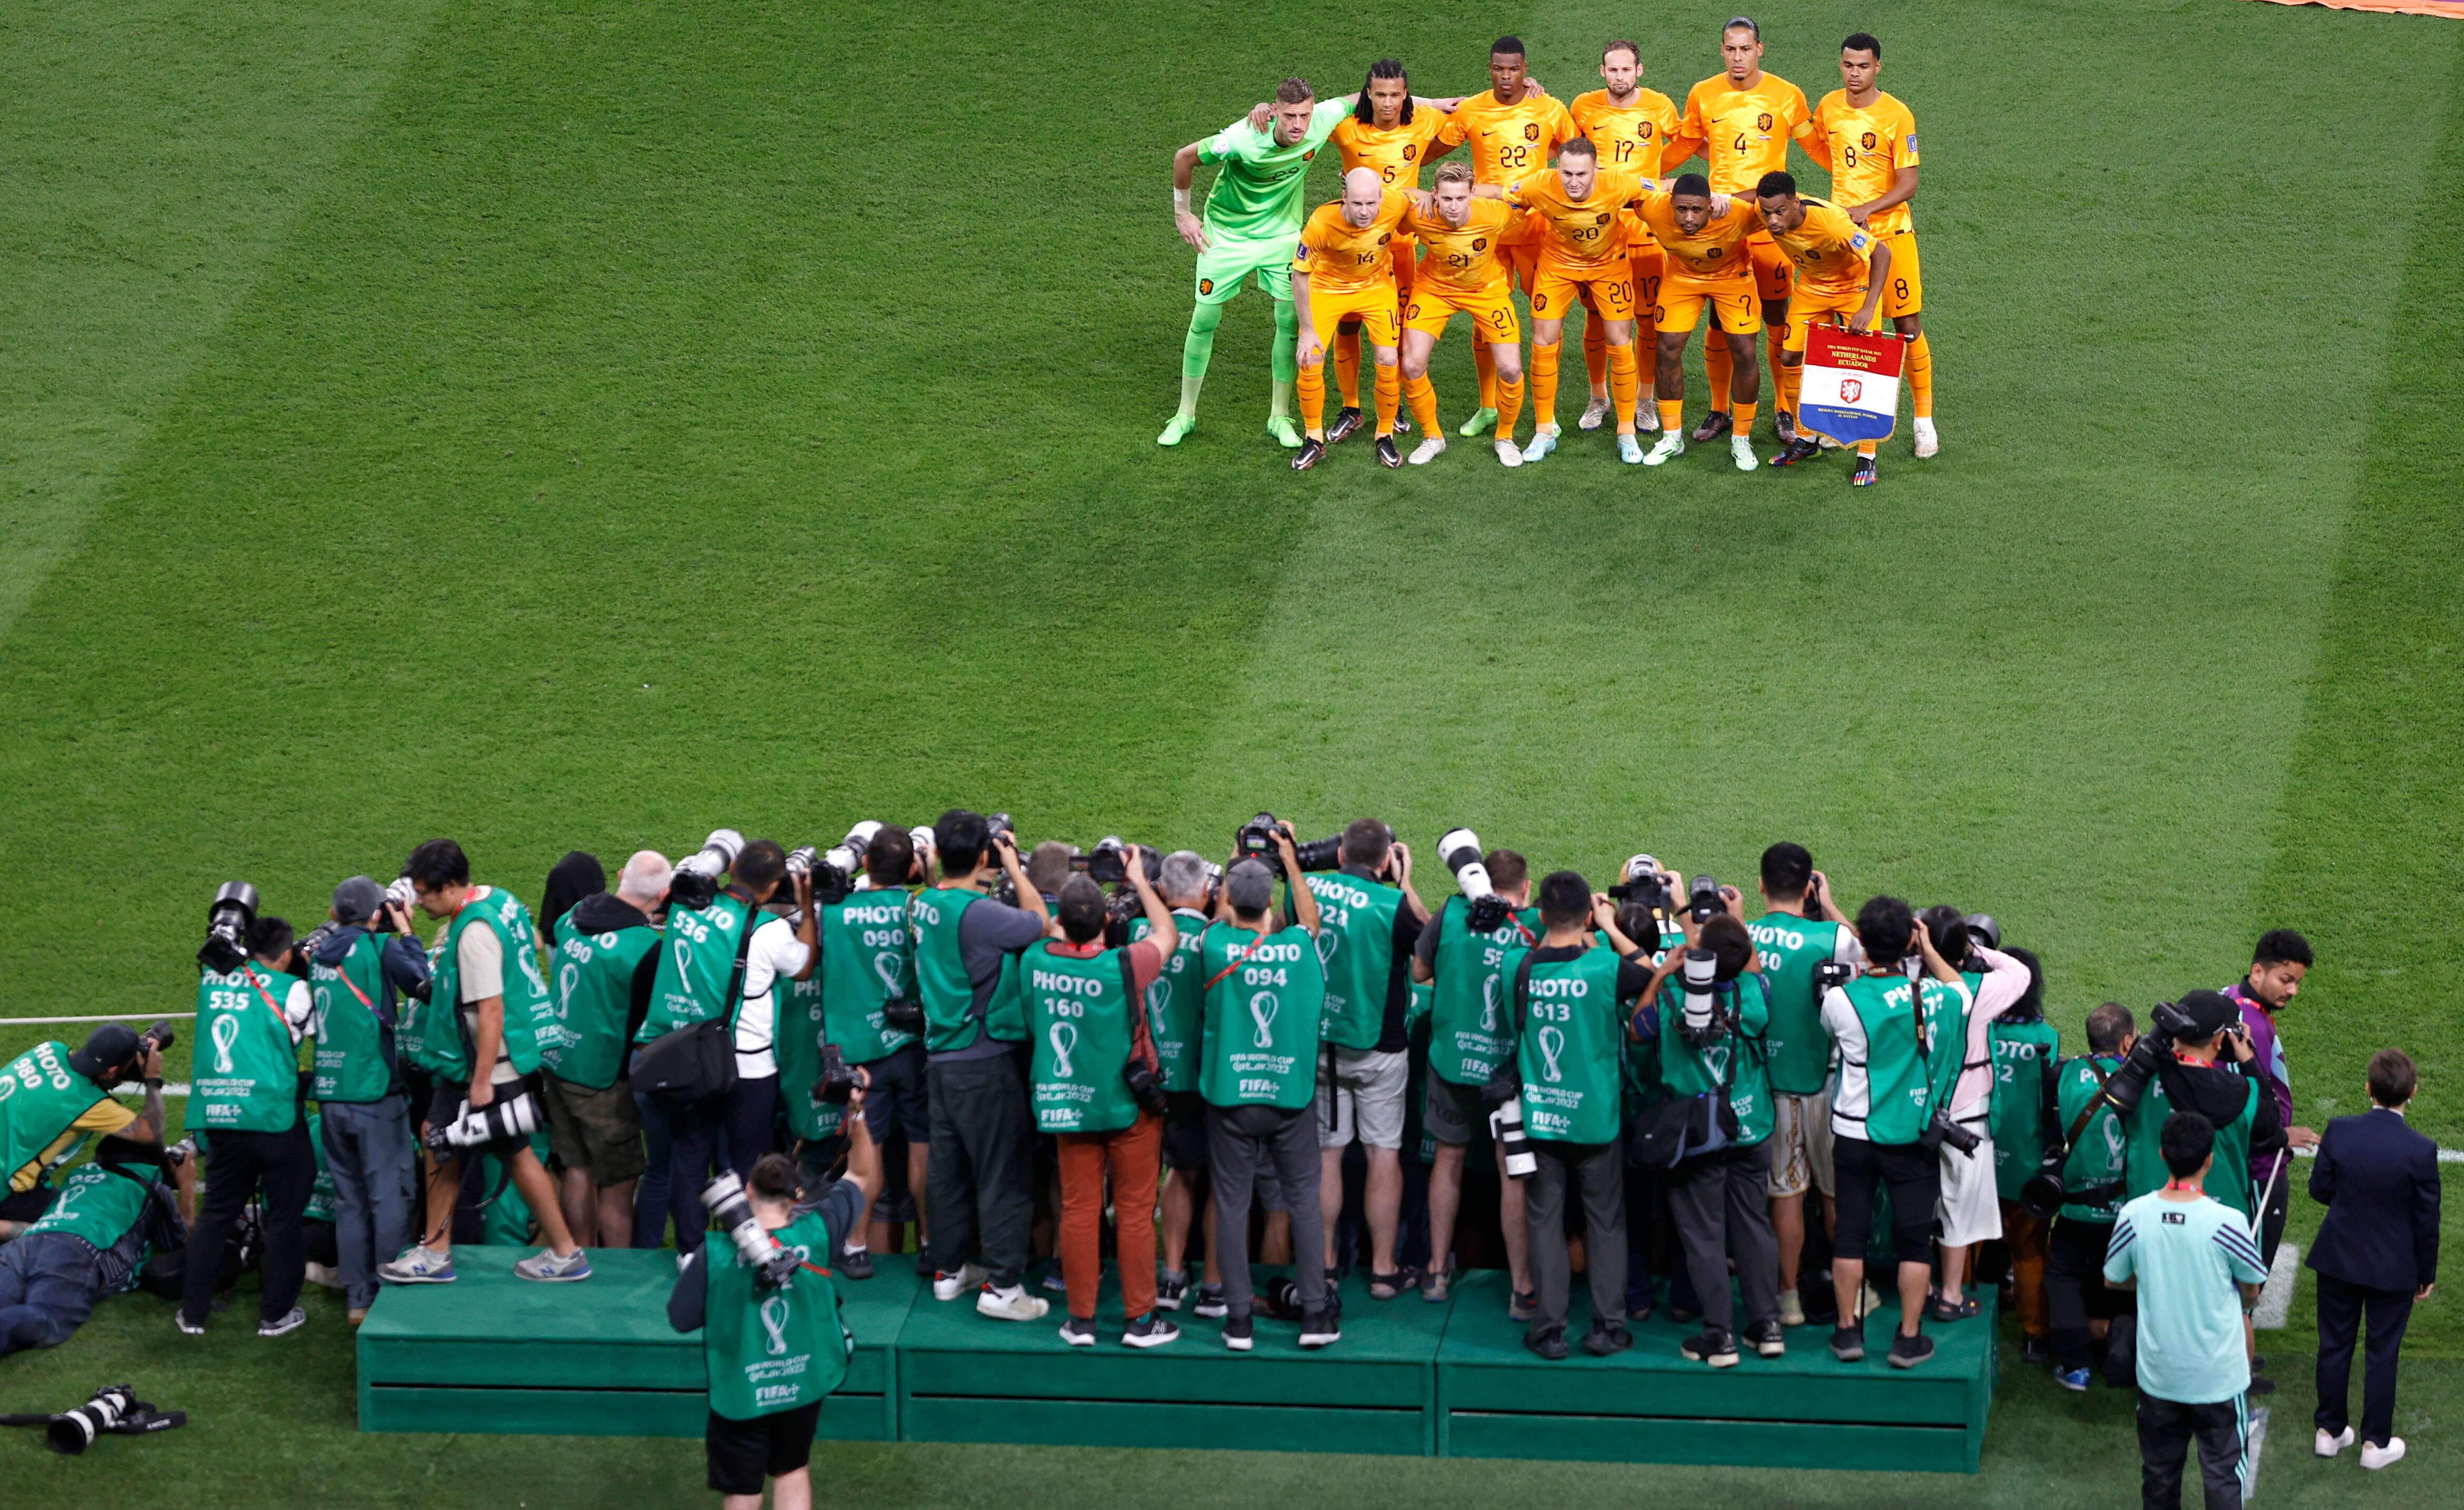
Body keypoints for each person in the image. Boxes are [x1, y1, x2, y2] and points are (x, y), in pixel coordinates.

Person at [380, 838, 589, 1285]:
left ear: (451, 886)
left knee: (444, 1139)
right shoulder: (497, 898)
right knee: (501, 1150)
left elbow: (490, 1009)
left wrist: (480, 1083)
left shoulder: (474, 934)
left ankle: (438, 1254)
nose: (419, 901)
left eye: (425, 892)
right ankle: (562, 1250)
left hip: (485, 1065)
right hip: (499, 1060)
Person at [669, 1096, 880, 1510]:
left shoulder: (715, 1252)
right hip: (802, 1380)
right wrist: (856, 1112)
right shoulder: (821, 1232)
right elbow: (861, 1171)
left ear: (746, 1191)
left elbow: (681, 1318)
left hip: (742, 1387)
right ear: (797, 1194)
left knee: (744, 1490)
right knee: (792, 1469)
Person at [1026, 859, 1178, 1347]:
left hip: (1070, 1107)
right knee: (1133, 1213)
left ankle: (1082, 1320)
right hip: (1127, 1108)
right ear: (1109, 923)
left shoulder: (1037, 959)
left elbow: (1044, 922)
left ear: (1062, 922)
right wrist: (1137, 880)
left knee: (1077, 1210)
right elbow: (1166, 931)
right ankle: (1139, 1320)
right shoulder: (1126, 964)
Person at [641, 840, 817, 1259]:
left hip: (690, 1061)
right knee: (742, 1166)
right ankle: (743, 1249)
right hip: (750, 1070)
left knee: (689, 1157)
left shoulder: (686, 907)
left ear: (732, 865)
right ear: (775, 886)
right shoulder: (768, 930)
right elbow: (804, 964)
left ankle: (690, 1252)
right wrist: (807, 910)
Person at [911, 809, 1051, 1320]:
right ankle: (1003, 1287)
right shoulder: (983, 916)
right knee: (1003, 1175)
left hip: (941, 1062)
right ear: (986, 856)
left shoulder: (922, 904)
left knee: (948, 1173)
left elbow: (942, 885)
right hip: (984, 1062)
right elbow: (1042, 922)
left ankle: (948, 1273)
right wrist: (1015, 866)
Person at [1505, 872, 1650, 1360]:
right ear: (1588, 914)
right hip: (1596, 1119)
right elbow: (1652, 973)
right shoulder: (1606, 968)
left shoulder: (1515, 967)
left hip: (1541, 1118)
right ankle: (1608, 1327)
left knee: (1544, 1222)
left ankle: (1548, 1329)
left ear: (1542, 915)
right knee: (1605, 1223)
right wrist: (1607, 928)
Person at [1633, 902, 1783, 1366]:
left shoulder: (1675, 996)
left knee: (1704, 1237)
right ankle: (1767, 1325)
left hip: (1697, 1134)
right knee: (1754, 1225)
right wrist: (1733, 929)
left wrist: (1662, 975)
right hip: (1752, 1126)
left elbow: (1639, 1032)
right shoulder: (1755, 993)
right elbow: (1749, 967)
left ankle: (1719, 1337)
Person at [1819, 894, 1965, 1368]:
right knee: (1914, 1239)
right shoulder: (1935, 997)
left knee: (1850, 1236)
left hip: (1854, 1133)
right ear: (1909, 939)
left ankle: (1846, 1333)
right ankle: (1907, 1337)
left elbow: (1833, 1034)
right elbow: (1960, 990)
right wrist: (1928, 951)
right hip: (1910, 1134)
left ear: (1862, 942)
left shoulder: (1840, 999)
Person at [1200, 837, 1334, 1350]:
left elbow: (1213, 920)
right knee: (1303, 1203)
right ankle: (1316, 1317)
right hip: (1288, 1098)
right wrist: (1293, 864)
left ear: (1230, 899)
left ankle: (1238, 1322)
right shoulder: (1297, 947)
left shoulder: (1213, 945)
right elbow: (1313, 922)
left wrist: (1239, 857)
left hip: (1231, 1099)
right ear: (1273, 903)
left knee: (1232, 1206)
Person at [2104, 1111, 2268, 1510]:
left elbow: (2114, 1278)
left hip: (2160, 1376)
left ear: (2162, 1155)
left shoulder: (2134, 1215)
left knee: (2159, 1478)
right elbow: (2252, 1288)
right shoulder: (2228, 1222)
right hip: (2219, 1380)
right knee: (2224, 1478)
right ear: (2210, 1160)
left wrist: (2155, 1278)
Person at [1424, 36, 1577, 439]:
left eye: (1514, 69)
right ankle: (1488, 406)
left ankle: (1547, 412)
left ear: (1525, 69)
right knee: (1484, 318)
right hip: (1486, 234)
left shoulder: (1549, 108)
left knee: (1547, 318)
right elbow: (1426, 152)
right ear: (1489, 69)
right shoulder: (1473, 110)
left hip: (1536, 232)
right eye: (1498, 69)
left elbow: (1577, 153)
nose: (1506, 76)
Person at [1301, 818, 1427, 1297]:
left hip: (1322, 1045)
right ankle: (1381, 1270)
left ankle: (1328, 1264)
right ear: (1384, 861)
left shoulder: (1305, 889)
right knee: (1381, 1154)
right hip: (1379, 1048)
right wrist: (1407, 880)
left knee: (1328, 1157)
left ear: (1340, 855)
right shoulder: (1393, 904)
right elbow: (1425, 948)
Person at [1470, 138, 1653, 461]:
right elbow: (1499, 191)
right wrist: (1456, 192)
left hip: (1609, 266)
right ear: (1558, 169)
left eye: (1582, 174)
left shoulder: (1620, 182)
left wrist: (1717, 198)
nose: (1574, 182)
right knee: (1543, 343)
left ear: (1597, 169)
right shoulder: (1540, 185)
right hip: (1557, 267)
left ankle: (1627, 431)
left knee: (1620, 342)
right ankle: (1544, 431)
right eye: (1567, 173)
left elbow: (1663, 186)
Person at [1677, 16, 1814, 446]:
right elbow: (1685, 144)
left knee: (1777, 318)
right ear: (1722, 51)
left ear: (1760, 48)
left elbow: (1820, 146)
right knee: (1720, 322)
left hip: (1771, 226)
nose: (1738, 57)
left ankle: (1784, 412)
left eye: (1745, 49)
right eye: (1730, 49)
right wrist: (1636, 166)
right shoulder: (1703, 93)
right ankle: (1720, 409)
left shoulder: (1787, 95)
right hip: (1725, 227)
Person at [1411, 845, 1536, 1307]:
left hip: (1451, 1059)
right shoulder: (1534, 925)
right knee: (1511, 1172)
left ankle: (1437, 1272)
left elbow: (1420, 969)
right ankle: (1521, 1287)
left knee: (1448, 1160)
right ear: (1525, 888)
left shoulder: (1452, 911)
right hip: (1508, 1071)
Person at [1802, 32, 1935, 458]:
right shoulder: (1828, 106)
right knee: (1847, 328)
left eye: (1863, 65)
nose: (1854, 73)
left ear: (1878, 67)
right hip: (1845, 240)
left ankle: (1923, 422)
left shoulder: (1898, 115)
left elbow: (1909, 183)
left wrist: (1867, 207)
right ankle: (1841, 420)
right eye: (1848, 65)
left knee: (1907, 328)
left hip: (1892, 235)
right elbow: (1829, 152)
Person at [182, 913, 316, 1336]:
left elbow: (219, 957)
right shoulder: (294, 989)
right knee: (285, 1217)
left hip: (222, 1117)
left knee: (217, 1213)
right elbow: (312, 1030)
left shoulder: (212, 978)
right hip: (274, 1119)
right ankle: (275, 1315)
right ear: (287, 952)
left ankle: (193, 1314)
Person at [2308, 1047, 2440, 1472]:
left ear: (2368, 1089)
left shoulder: (2340, 1131)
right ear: (2413, 1093)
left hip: (2339, 1259)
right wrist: (2426, 1273)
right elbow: (2426, 1219)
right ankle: (2374, 1444)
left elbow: (2319, 1189)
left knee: (2334, 1344)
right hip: (2394, 1268)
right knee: (2383, 1353)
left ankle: (2329, 1433)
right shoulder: (2421, 1149)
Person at [307, 875, 432, 1322]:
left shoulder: (318, 955)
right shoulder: (380, 949)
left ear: (333, 913)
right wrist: (407, 933)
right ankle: (387, 1294)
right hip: (374, 1095)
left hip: (331, 1096)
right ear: (378, 913)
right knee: (389, 1198)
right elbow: (423, 982)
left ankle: (358, 1298)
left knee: (351, 1203)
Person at [1745, 843, 1857, 1325]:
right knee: (1836, 1195)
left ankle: (1788, 1297)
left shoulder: (1741, 936)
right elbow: (1873, 953)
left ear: (1761, 885)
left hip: (1768, 1085)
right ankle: (1852, 1299)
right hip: (1827, 1086)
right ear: (1809, 886)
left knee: (1786, 1194)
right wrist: (1829, 904)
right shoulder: (1830, 938)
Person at [809, 827, 924, 1280]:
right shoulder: (920, 908)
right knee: (923, 1147)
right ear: (912, 868)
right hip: (912, 1046)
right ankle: (931, 1247)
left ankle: (855, 1247)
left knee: (865, 1152)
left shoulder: (831, 913)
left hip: (858, 1055)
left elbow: (807, 953)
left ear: (865, 865)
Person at [541, 851, 668, 1252]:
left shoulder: (573, 917)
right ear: (665, 894)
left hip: (558, 1061)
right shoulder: (646, 948)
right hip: (603, 1080)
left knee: (577, 1169)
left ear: (619, 876)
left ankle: (579, 1255)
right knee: (616, 1186)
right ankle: (617, 1275)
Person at [1916, 908, 2034, 1320]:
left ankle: (1923, 1286)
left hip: (1914, 1109)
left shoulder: (1908, 984)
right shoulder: (1980, 989)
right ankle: (1950, 1295)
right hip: (1966, 1116)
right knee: (1959, 1207)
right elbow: (2021, 973)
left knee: (1916, 1202)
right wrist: (1971, 947)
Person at [1569, 38, 1685, 436]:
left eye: (1626, 69)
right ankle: (1599, 397)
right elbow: (1568, 150)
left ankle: (1645, 401)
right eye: (1612, 70)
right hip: (1598, 232)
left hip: (1646, 232)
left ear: (1640, 70)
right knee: (1597, 318)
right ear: (1603, 72)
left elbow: (1687, 141)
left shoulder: (1660, 106)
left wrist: (1657, 175)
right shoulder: (1583, 107)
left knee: (1648, 319)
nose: (1619, 76)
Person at [1324, 59, 1443, 443]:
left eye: (1395, 95)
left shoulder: (1424, 121)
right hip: (1352, 246)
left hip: (1402, 246)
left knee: (1399, 328)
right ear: (1368, 94)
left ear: (1405, 94)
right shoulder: (1346, 128)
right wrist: (1264, 110)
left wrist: (1531, 90)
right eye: (1379, 95)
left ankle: (1396, 406)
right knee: (1349, 322)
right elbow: (1308, 114)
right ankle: (1352, 407)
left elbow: (1478, 109)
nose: (1388, 103)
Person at [1753, 171, 1892, 484]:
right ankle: (1807, 440)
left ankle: (1867, 456)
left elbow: (1882, 253)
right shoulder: (1763, 210)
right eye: (1767, 213)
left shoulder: (1832, 225)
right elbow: (1747, 200)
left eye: (1779, 212)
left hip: (1853, 289)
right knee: (1789, 358)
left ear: (1795, 201)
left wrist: (1868, 307)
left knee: (1863, 369)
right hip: (1813, 289)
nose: (1772, 221)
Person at [0, 1135, 188, 1356]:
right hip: (75, 1252)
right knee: (45, 1317)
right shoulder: (151, 1179)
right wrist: (187, 1185)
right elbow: (180, 1243)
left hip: (24, 1244)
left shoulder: (80, 1172)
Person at [1395, 162, 1528, 466]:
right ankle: (1432, 438)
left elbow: (1529, 196)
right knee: (1413, 365)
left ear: (1472, 194)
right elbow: (1393, 195)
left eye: (1460, 199)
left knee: (1510, 369)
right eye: (1446, 199)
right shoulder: (1421, 214)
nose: (1453, 207)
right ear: (1435, 196)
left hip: (1487, 290)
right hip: (1434, 289)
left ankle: (1505, 438)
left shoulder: (1495, 214)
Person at [1135, 851, 1219, 1313]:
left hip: (1142, 1077)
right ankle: (1213, 1286)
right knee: (1211, 1179)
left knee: (1158, 1177)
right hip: (1199, 1079)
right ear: (1206, 894)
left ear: (1162, 892)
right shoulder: (1216, 940)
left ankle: (1168, 1277)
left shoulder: (1135, 934)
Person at [1633, 178, 1763, 470]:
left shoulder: (1736, 212)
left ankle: (1741, 439)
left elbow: (1771, 194)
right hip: (1681, 279)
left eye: (1696, 210)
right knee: (1666, 349)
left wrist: (1726, 195)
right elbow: (1625, 185)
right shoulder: (1653, 208)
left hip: (1733, 278)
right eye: (1681, 210)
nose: (1688, 218)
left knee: (1744, 352)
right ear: (1670, 205)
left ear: (1709, 206)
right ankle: (1671, 437)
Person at [1290, 169, 1412, 470]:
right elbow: (1300, 275)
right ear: (1344, 197)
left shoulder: (1395, 204)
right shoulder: (1321, 221)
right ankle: (1314, 438)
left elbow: (1420, 200)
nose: (1365, 212)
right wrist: (1306, 331)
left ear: (1382, 198)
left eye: (1371, 204)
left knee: (1387, 359)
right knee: (1310, 358)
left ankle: (1384, 434)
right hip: (1328, 288)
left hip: (1376, 287)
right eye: (1357, 204)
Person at [2049, 1004, 2139, 1390]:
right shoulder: (2140, 1081)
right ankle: (2124, 1334)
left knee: (2062, 1274)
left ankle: (2075, 1366)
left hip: (2075, 1209)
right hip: (2127, 1211)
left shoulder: (2068, 1073)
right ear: (2127, 1041)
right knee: (2132, 1278)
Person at [0, 1027, 165, 1236]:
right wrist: (152, 1079)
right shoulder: (89, 1104)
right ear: (112, 1070)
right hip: (5, 1190)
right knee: (72, 1228)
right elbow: (151, 1133)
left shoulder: (51, 1049)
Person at [2223, 929, 2315, 1268]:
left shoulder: (2234, 999)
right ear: (2258, 972)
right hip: (2261, 1167)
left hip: (2253, 1160)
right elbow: (2242, 1100)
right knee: (2250, 1277)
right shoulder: (2251, 1025)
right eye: (2286, 980)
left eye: (2297, 982)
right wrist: (2280, 1136)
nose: (2293, 990)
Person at [1984, 946, 2060, 1361]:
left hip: (1978, 1160)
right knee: (2030, 1254)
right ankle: (2034, 1335)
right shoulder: (2046, 1039)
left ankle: (1969, 1320)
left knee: (1969, 1242)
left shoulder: (1978, 1029)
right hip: (2028, 1167)